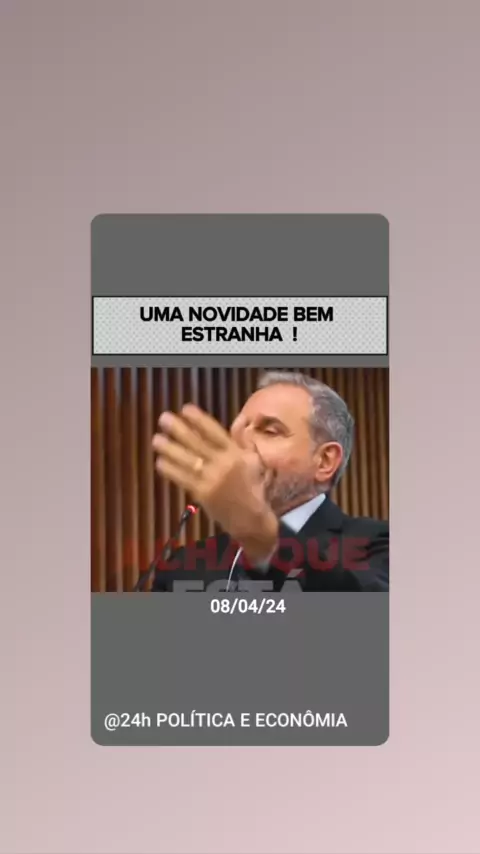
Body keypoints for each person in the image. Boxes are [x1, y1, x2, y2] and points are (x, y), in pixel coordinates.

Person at [151, 371, 389, 592]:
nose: (241, 444)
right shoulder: (183, 566)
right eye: (239, 430)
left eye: (270, 431)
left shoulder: (378, 545)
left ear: (324, 461)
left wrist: (260, 535)